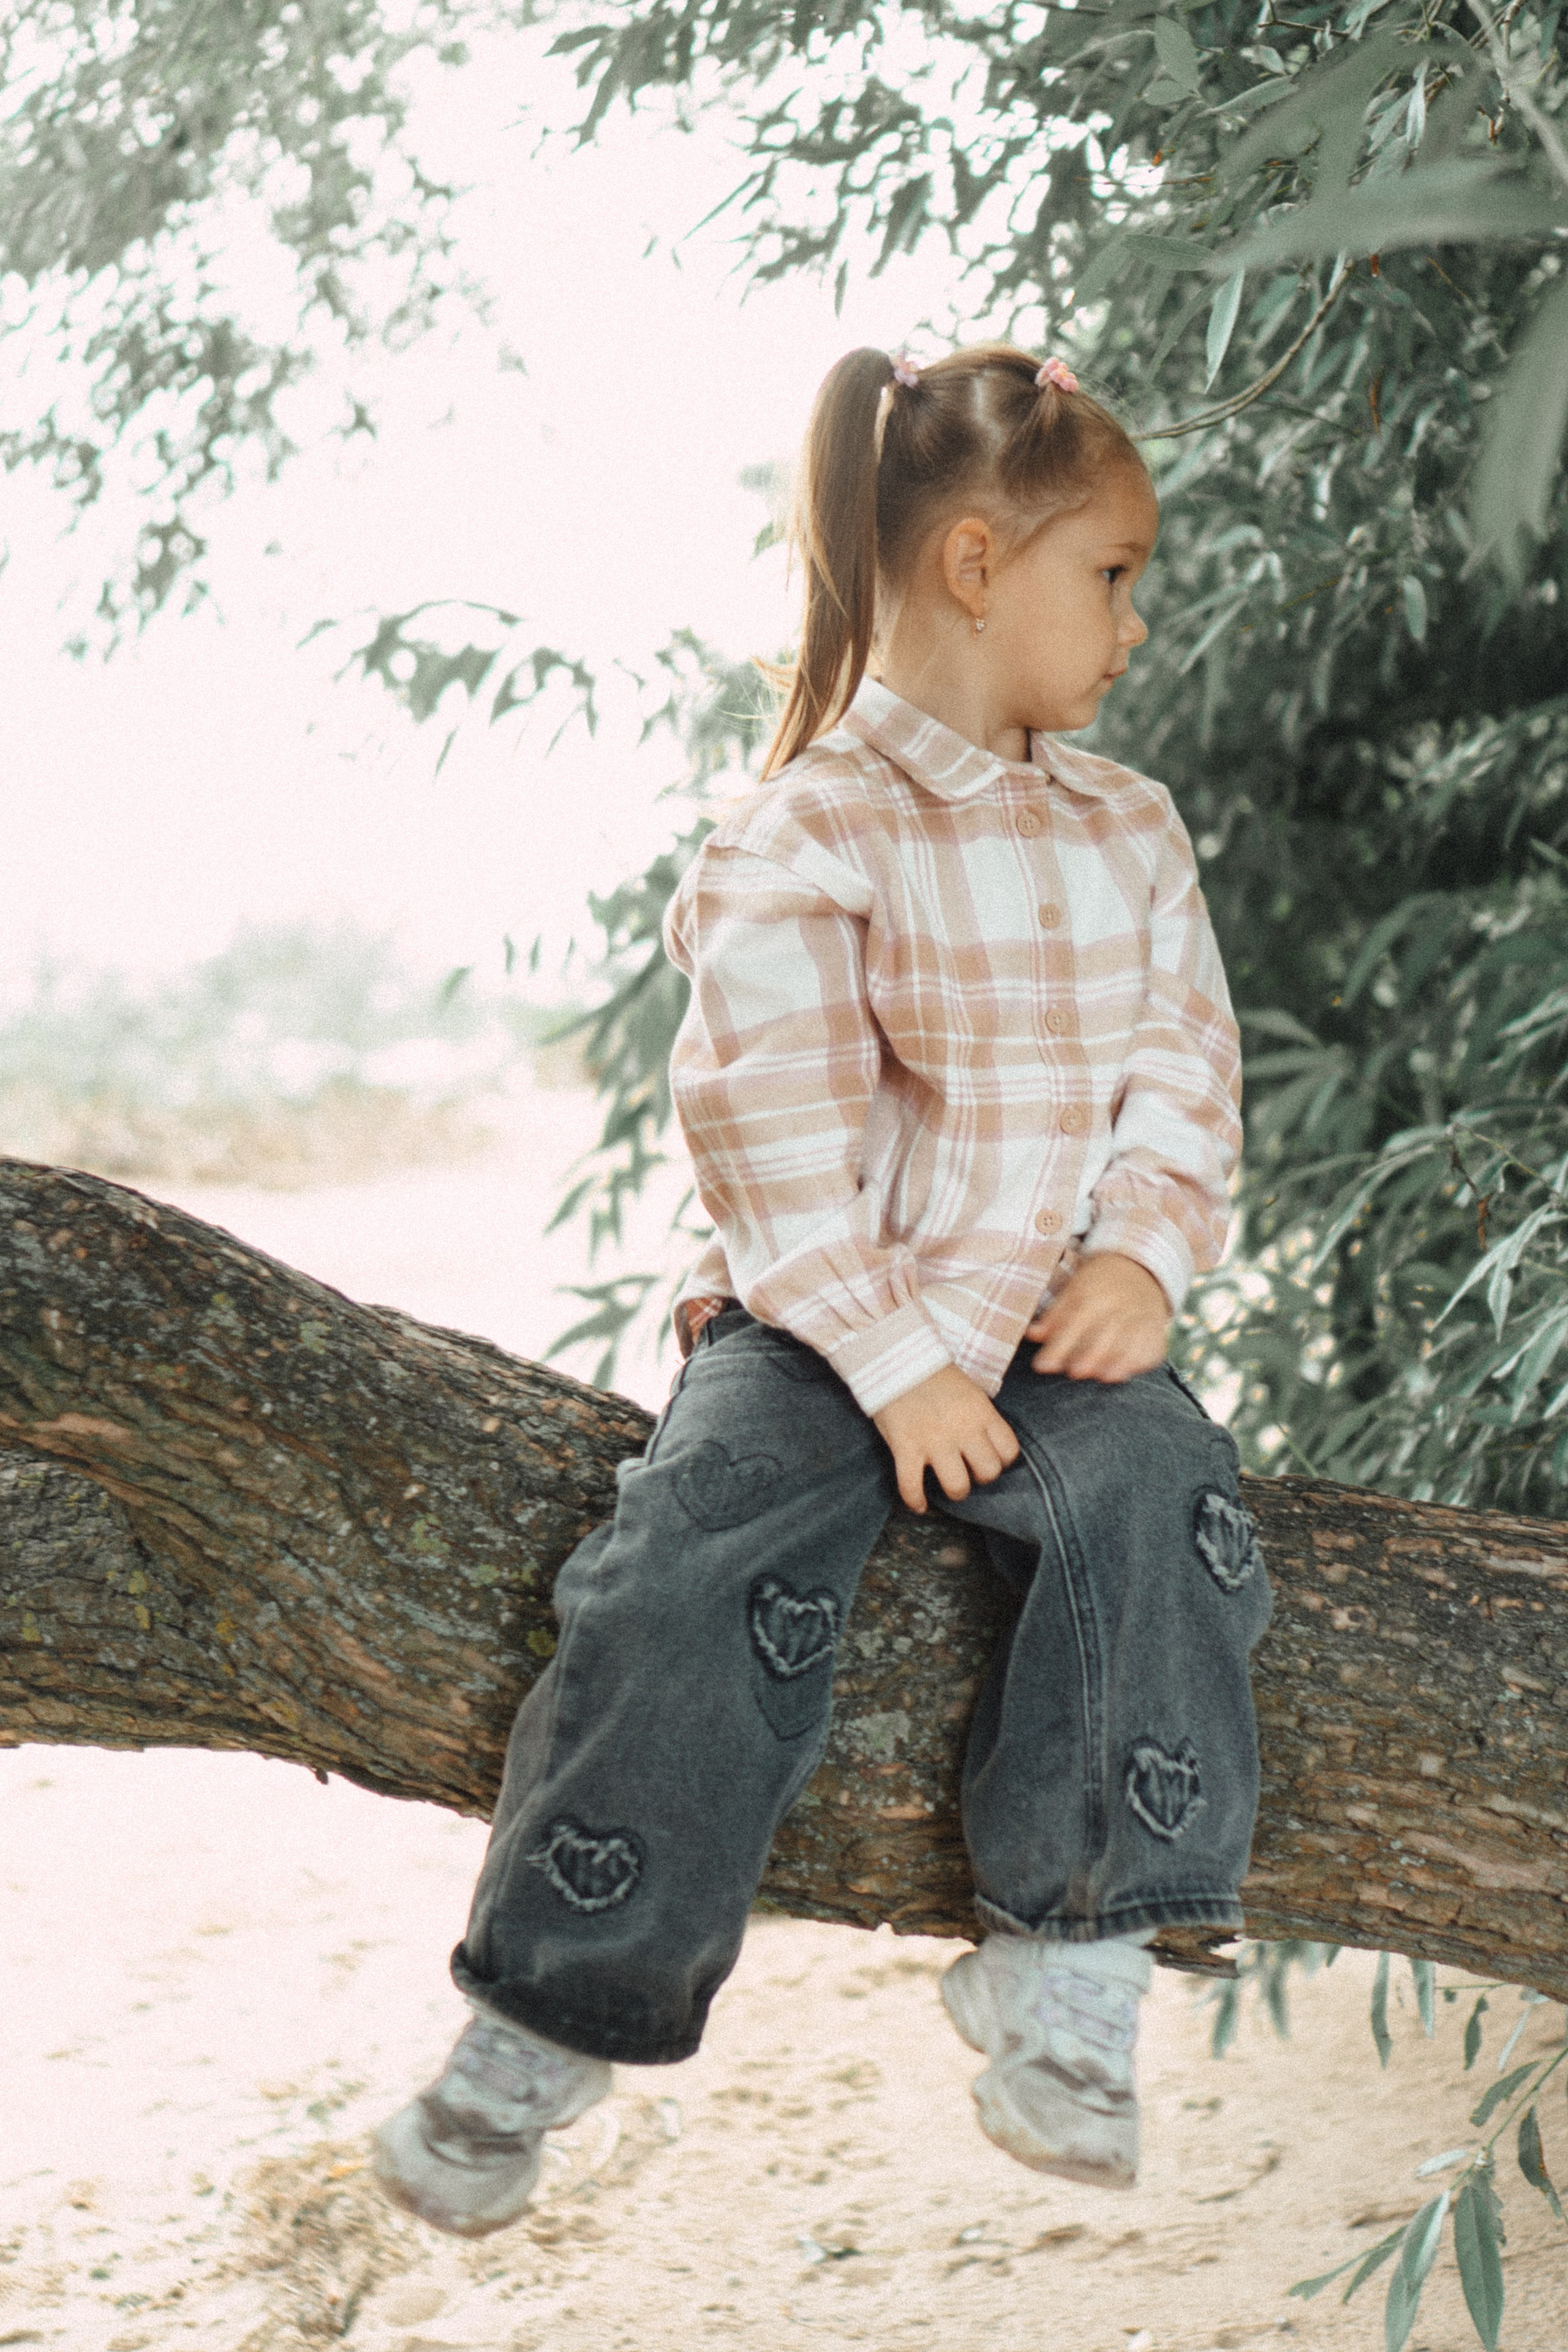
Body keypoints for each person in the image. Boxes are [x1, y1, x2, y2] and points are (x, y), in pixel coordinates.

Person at [372, 342, 1270, 2239]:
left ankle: (1073, 1970)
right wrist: (882, 1366)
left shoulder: (1135, 833)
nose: (1133, 625)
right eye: (1109, 575)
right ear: (972, 564)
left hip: (1040, 1327)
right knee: (682, 1569)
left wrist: (1141, 1250)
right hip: (815, 1319)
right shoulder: (810, 829)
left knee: (1170, 1506)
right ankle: (550, 2013)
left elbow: (1185, 1069)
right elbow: (760, 1134)